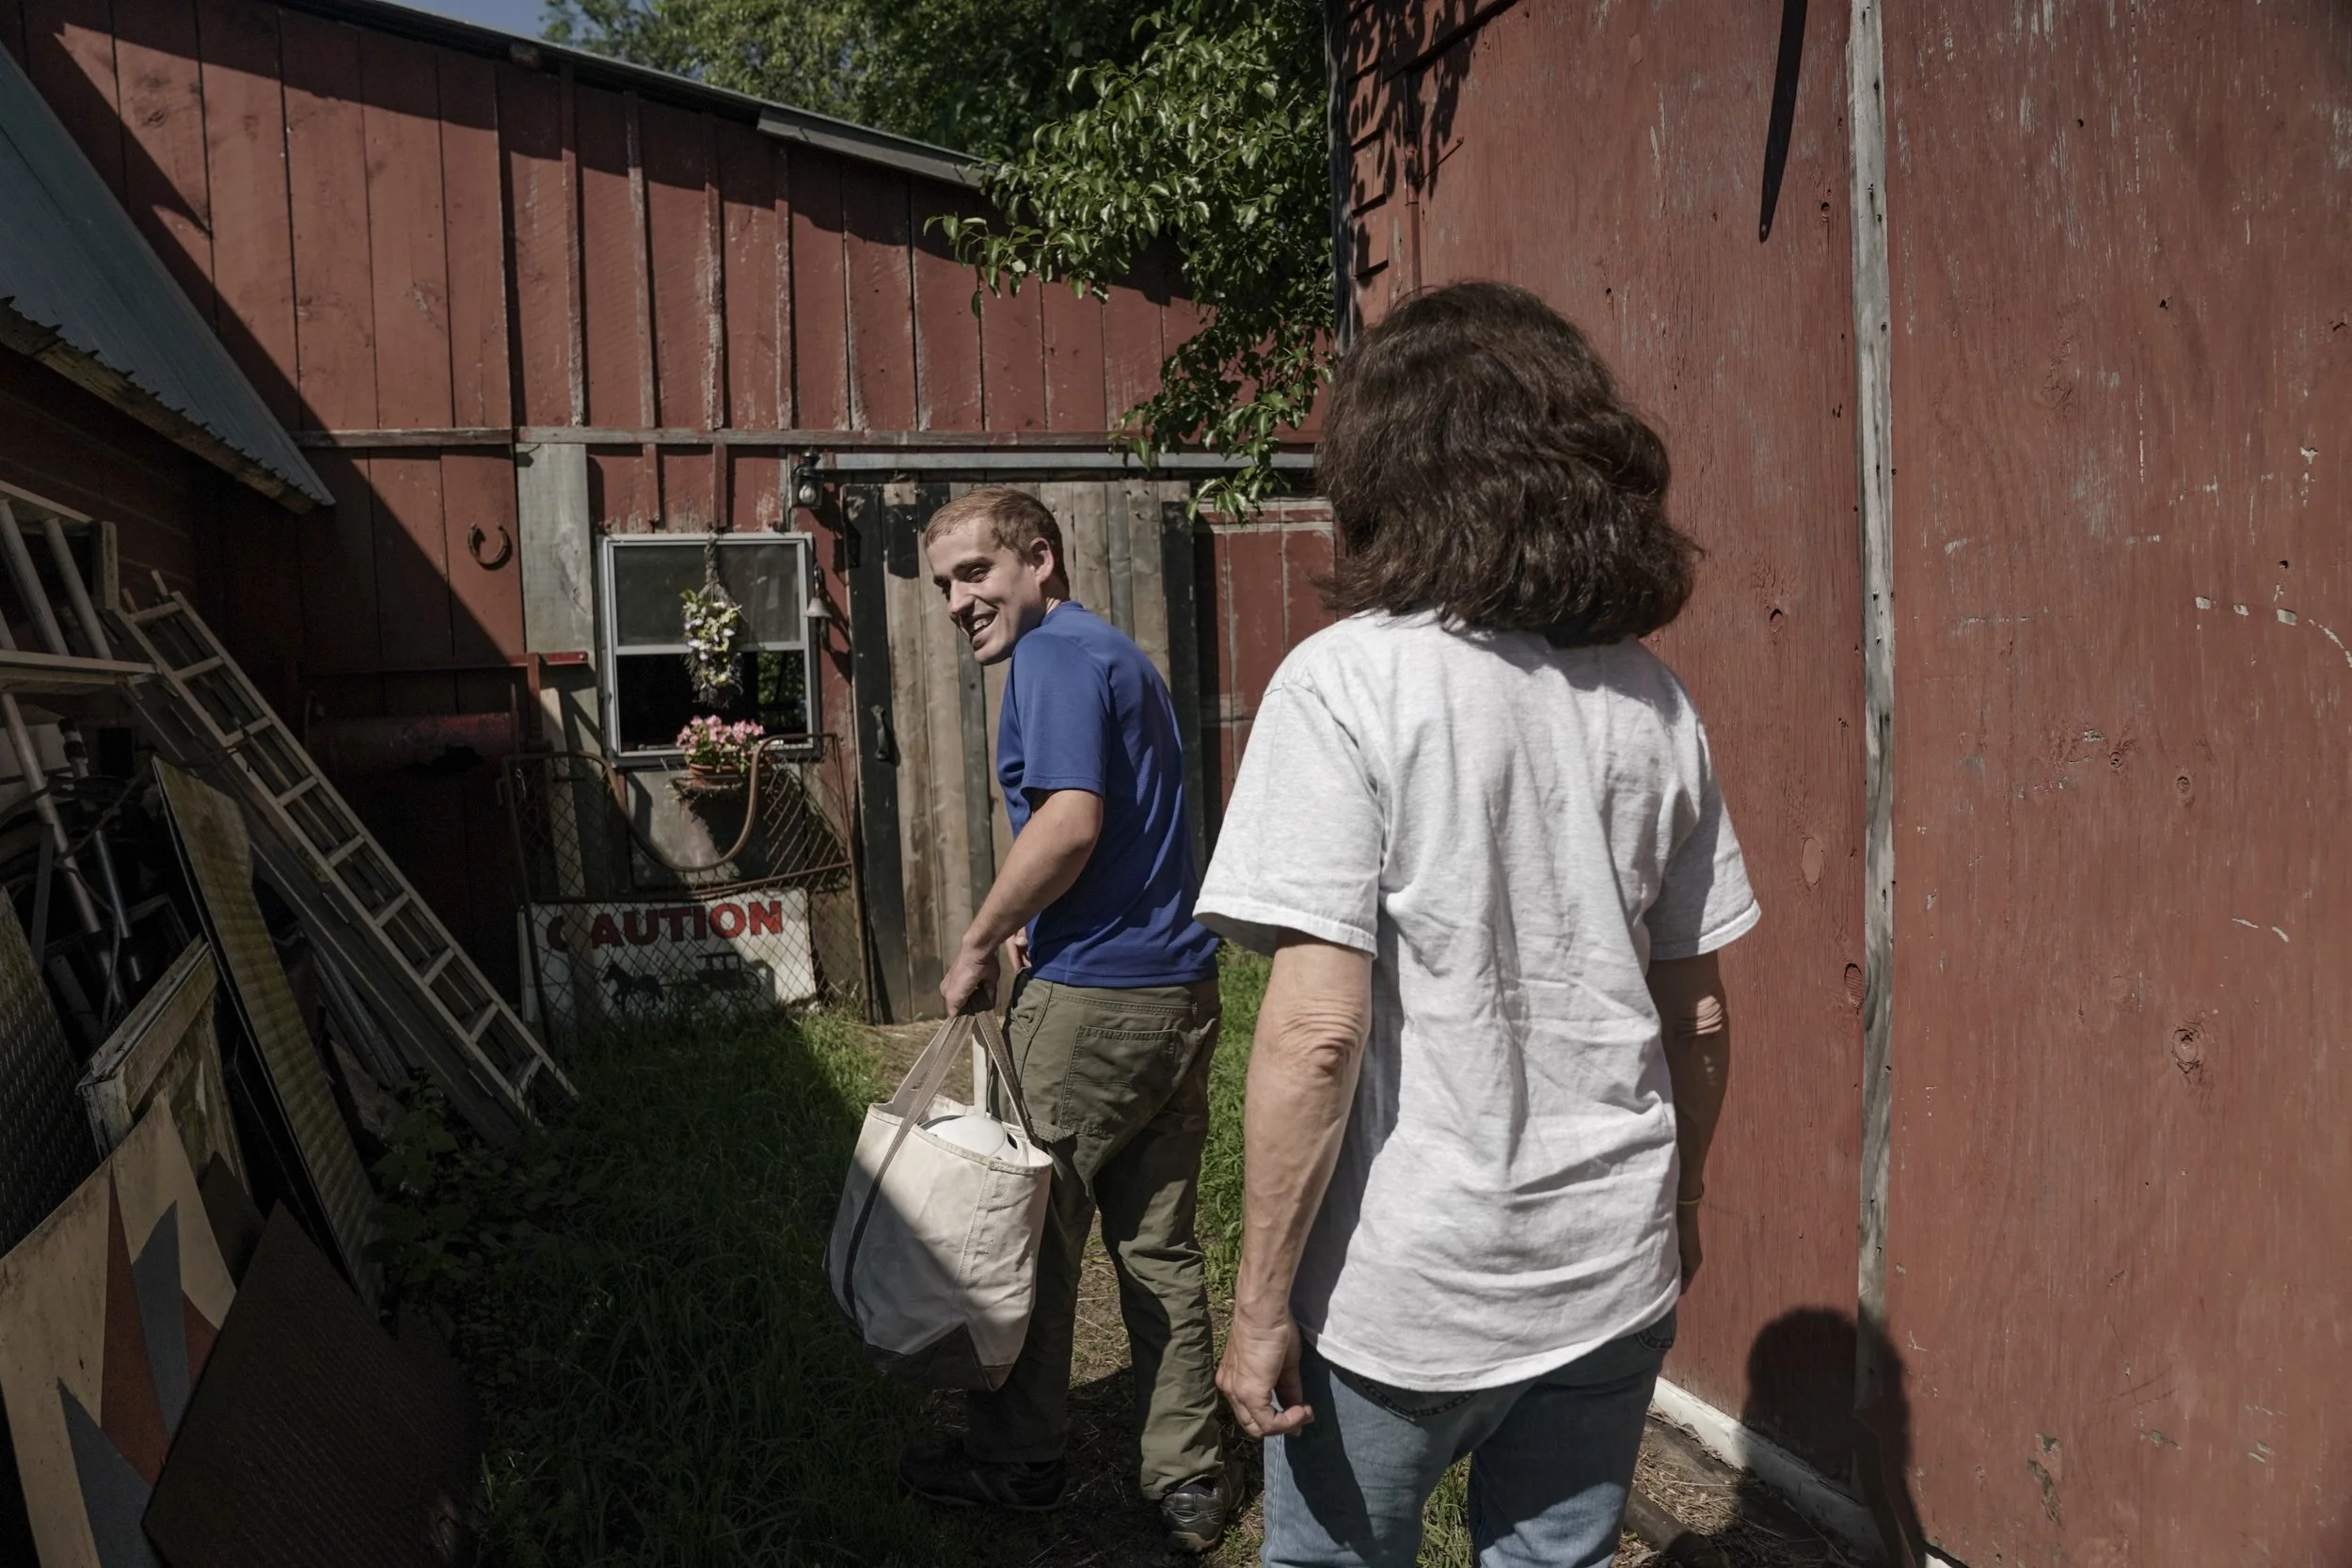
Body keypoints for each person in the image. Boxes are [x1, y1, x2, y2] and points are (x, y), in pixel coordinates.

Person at [1193, 281, 1757, 1568]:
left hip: (1410, 1293)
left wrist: (1258, 1300)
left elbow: (1317, 1031)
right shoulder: (1655, 702)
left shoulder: (1347, 681)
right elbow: (1701, 1009)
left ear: (1386, 465)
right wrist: (1686, 1203)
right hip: (1609, 1265)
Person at [898, 485, 1236, 1552]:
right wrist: (1030, 923)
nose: (958, 599)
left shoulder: (1047, 657)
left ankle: (1016, 1460)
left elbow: (1070, 821)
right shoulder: (1111, 655)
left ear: (1039, 558)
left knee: (1024, 1239)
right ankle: (1188, 1475)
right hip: (1176, 992)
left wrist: (973, 938)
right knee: (1159, 1244)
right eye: (944, 582)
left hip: (1093, 1003)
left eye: (975, 572)